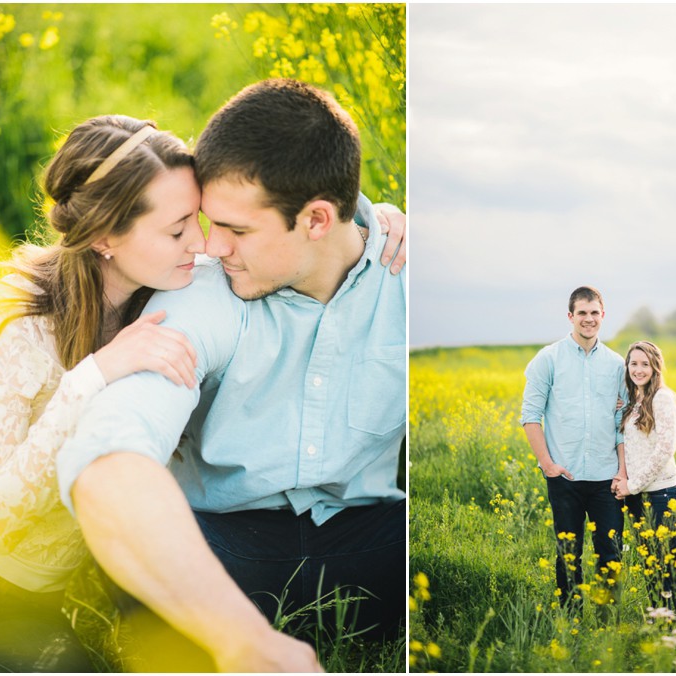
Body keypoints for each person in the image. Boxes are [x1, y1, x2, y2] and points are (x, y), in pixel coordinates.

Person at [55, 79, 406, 673]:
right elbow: (107, 453)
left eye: (237, 231)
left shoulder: (403, 278)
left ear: (317, 219)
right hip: (225, 544)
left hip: (367, 538)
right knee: (143, 564)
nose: (211, 248)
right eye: (205, 222)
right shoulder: (207, 293)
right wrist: (248, 643)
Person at [0, 115, 206, 672]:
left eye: (199, 218)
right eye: (177, 229)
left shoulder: (164, 284)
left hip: (82, 565)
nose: (202, 242)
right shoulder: (15, 325)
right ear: (104, 238)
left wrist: (373, 223)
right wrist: (92, 377)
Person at [520, 285, 626, 619]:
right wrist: (547, 464)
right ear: (571, 317)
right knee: (568, 552)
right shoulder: (548, 358)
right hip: (563, 475)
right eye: (582, 313)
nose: (589, 319)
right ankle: (570, 617)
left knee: (610, 551)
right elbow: (529, 416)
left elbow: (622, 423)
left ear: (603, 316)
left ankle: (606, 619)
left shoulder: (616, 364)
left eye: (595, 313)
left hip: (605, 476)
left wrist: (622, 471)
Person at [611, 341, 676, 624]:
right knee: (651, 563)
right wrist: (625, 480)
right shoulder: (633, 399)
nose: (638, 369)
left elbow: (665, 449)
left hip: (661, 494)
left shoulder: (662, 397)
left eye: (644, 364)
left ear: (655, 366)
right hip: (637, 495)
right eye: (633, 364)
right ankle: (662, 621)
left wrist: (632, 485)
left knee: (671, 562)